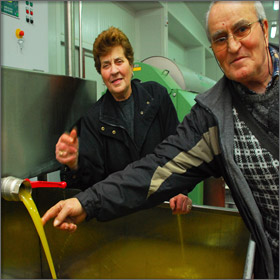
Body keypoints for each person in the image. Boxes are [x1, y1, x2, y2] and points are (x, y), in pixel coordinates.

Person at [42, 2, 279, 279]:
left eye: (242, 29)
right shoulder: (212, 118)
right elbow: (162, 165)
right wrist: (84, 192)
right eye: (220, 39)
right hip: (126, 219)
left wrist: (177, 189)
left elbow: (169, 154)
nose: (234, 46)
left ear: (264, 29)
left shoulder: (157, 95)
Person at [55, 26, 192, 215]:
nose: (114, 71)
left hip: (162, 208)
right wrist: (74, 165)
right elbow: (91, 182)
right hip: (119, 215)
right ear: (101, 73)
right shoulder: (93, 118)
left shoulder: (157, 96)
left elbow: (177, 151)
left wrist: (181, 190)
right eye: (106, 65)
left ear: (130, 63)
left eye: (119, 61)